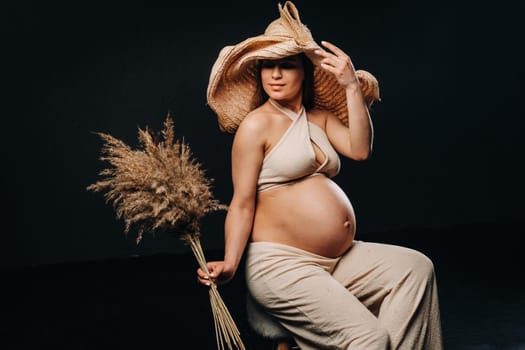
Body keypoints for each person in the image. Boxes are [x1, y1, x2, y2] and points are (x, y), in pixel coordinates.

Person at [197, 2, 443, 349]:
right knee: (368, 337)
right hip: (281, 266)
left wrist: (351, 87)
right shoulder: (257, 125)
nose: (275, 75)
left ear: (305, 72)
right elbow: (242, 203)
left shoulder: (319, 119)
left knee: (416, 269)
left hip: (336, 259)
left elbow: (360, 149)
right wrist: (231, 263)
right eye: (268, 66)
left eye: (287, 65)